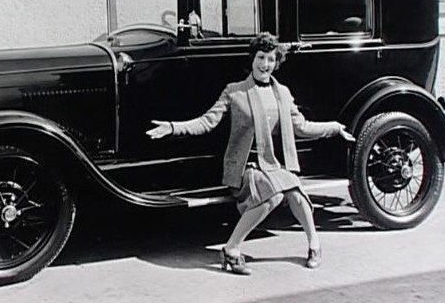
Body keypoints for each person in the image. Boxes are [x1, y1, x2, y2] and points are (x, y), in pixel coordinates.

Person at [146, 32, 355, 275]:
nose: (265, 64)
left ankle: (315, 246)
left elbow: (303, 127)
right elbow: (207, 122)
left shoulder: (283, 94)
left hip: (273, 165)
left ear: (277, 63)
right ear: (252, 59)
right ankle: (232, 249)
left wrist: (334, 127)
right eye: (261, 57)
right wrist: (173, 127)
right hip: (246, 167)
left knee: (296, 193)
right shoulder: (235, 91)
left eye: (270, 59)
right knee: (274, 194)